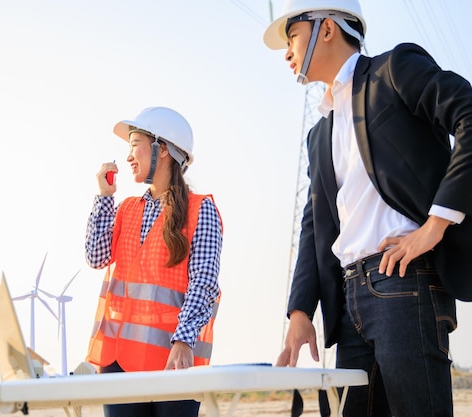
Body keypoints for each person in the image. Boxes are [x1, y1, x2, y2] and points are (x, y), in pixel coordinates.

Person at [263, 0, 472, 416]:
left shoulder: (394, 71)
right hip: (348, 300)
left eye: (292, 37)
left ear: (326, 29)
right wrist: (301, 309)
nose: (286, 52)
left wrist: (435, 224)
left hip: (404, 283)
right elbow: (314, 222)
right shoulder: (318, 134)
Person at [84, 106, 223, 417]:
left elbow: (203, 283)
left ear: (162, 150)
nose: (128, 156)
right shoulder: (126, 209)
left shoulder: (202, 210)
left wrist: (184, 341)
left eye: (134, 144)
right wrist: (104, 197)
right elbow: (96, 256)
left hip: (174, 362)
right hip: (119, 363)